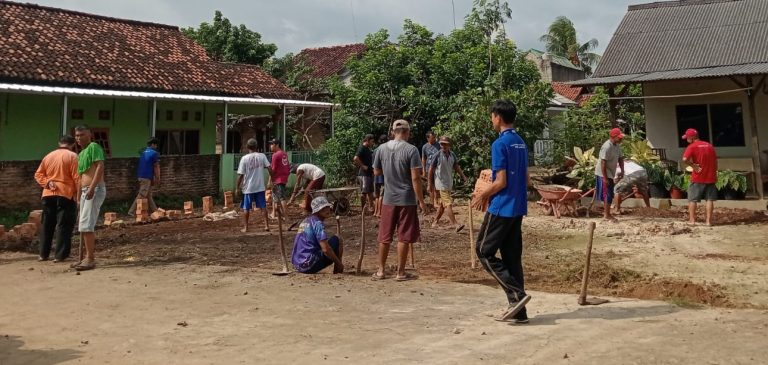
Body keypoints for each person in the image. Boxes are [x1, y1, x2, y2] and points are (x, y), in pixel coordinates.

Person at [471, 100, 531, 323]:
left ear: (497, 116)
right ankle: (520, 312)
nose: (491, 119)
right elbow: (526, 179)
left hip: (501, 207)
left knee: (483, 251)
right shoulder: (521, 142)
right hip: (517, 208)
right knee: (512, 258)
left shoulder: (500, 144)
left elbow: (501, 181)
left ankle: (517, 295)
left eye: (492, 116)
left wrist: (481, 195)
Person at [372, 119, 426, 281]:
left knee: (385, 235)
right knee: (404, 236)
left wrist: (390, 172)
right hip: (407, 199)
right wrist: (422, 202)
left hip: (388, 198)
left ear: (393, 132)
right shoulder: (411, 150)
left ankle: (381, 271)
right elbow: (415, 178)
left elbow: (376, 172)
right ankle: (400, 273)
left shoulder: (381, 149)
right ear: (407, 132)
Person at [34, 135, 79, 262]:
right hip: (65, 193)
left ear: (59, 143)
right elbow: (77, 178)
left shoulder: (48, 156)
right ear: (72, 144)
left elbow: (38, 174)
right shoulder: (73, 157)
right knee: (63, 225)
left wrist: (47, 182)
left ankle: (43, 254)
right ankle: (60, 255)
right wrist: (78, 194)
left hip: (48, 194)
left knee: (47, 224)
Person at [72, 125, 106, 271]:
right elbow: (80, 178)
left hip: (95, 189)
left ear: (89, 134)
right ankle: (83, 258)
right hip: (85, 191)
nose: (79, 138)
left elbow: (99, 167)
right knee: (82, 224)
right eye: (77, 135)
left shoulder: (94, 147)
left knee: (86, 224)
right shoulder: (81, 154)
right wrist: (79, 197)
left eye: (82, 134)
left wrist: (92, 187)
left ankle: (90, 259)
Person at [291, 196, 344, 274]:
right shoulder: (317, 223)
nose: (327, 210)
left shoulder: (306, 221)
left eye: (327, 207)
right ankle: (338, 268)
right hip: (309, 264)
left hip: (298, 265)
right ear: (317, 211)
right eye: (323, 208)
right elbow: (325, 249)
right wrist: (339, 263)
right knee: (338, 239)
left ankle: (338, 267)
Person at [428, 136, 468, 232]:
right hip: (440, 184)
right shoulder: (437, 155)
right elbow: (431, 170)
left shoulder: (452, 155)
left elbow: (456, 166)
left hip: (448, 183)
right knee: (448, 204)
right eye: (441, 144)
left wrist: (463, 176)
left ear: (449, 145)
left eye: (445, 144)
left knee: (442, 204)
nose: (443, 146)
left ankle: (435, 222)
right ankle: (455, 224)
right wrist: (430, 184)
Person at [682, 128, 718, 226]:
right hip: (711, 177)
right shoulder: (709, 145)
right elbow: (715, 160)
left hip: (698, 177)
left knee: (692, 199)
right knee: (709, 199)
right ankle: (708, 222)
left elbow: (684, 159)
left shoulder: (692, 146)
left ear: (692, 138)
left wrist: (693, 165)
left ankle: (692, 221)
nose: (686, 139)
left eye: (687, 138)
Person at [236, 138, 272, 233]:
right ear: (257, 147)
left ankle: (246, 227)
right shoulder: (262, 156)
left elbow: (240, 175)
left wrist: (237, 187)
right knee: (263, 207)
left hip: (248, 188)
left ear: (247, 147)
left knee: (246, 207)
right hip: (260, 186)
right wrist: (273, 179)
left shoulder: (244, 158)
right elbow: (269, 167)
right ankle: (266, 225)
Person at [595, 128, 625, 221]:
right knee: (606, 194)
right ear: (613, 137)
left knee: (609, 193)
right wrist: (604, 178)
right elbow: (603, 162)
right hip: (602, 172)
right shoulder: (606, 146)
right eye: (619, 137)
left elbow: (620, 158)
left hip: (610, 172)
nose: (621, 139)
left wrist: (622, 170)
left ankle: (607, 214)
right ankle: (606, 215)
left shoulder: (617, 145)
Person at [128, 138, 160, 216]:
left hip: (140, 176)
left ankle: (155, 211)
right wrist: (157, 177)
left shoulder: (143, 152)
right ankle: (131, 211)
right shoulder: (154, 153)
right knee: (142, 194)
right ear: (153, 144)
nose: (156, 146)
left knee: (148, 195)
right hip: (146, 176)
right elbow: (156, 166)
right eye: (155, 145)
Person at [268, 139, 291, 220]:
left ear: (277, 145)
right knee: (275, 197)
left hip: (278, 179)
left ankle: (286, 217)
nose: (270, 146)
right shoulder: (284, 153)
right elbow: (288, 166)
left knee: (281, 198)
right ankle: (273, 214)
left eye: (272, 144)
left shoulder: (275, 155)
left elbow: (272, 170)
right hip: (283, 178)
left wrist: (269, 181)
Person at [353, 134, 376, 213]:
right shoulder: (362, 148)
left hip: (369, 174)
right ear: (367, 140)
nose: (372, 143)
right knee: (364, 192)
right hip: (364, 174)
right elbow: (355, 158)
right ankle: (363, 209)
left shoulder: (367, 149)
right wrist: (363, 166)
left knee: (370, 192)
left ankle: (371, 208)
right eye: (372, 141)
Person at [421, 131, 440, 206]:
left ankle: (436, 201)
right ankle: (432, 202)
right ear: (428, 138)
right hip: (428, 168)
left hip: (438, 168)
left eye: (434, 137)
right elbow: (423, 158)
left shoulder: (438, 145)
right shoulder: (425, 147)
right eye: (432, 138)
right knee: (430, 185)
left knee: (437, 185)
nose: (434, 139)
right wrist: (423, 170)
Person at [373, 134, 388, 218]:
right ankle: (379, 212)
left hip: (375, 176)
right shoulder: (385, 150)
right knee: (382, 195)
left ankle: (375, 212)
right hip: (382, 177)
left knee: (377, 195)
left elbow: (373, 165)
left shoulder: (375, 150)